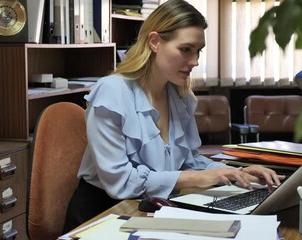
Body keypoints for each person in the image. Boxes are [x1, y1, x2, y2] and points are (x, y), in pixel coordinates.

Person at [63, 0, 285, 232]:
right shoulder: (112, 92)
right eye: (185, 49)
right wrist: (199, 178)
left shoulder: (180, 96)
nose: (195, 61)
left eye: (198, 51)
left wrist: (237, 173)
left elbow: (190, 161)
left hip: (152, 211)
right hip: (104, 216)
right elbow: (120, 181)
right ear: (155, 41)